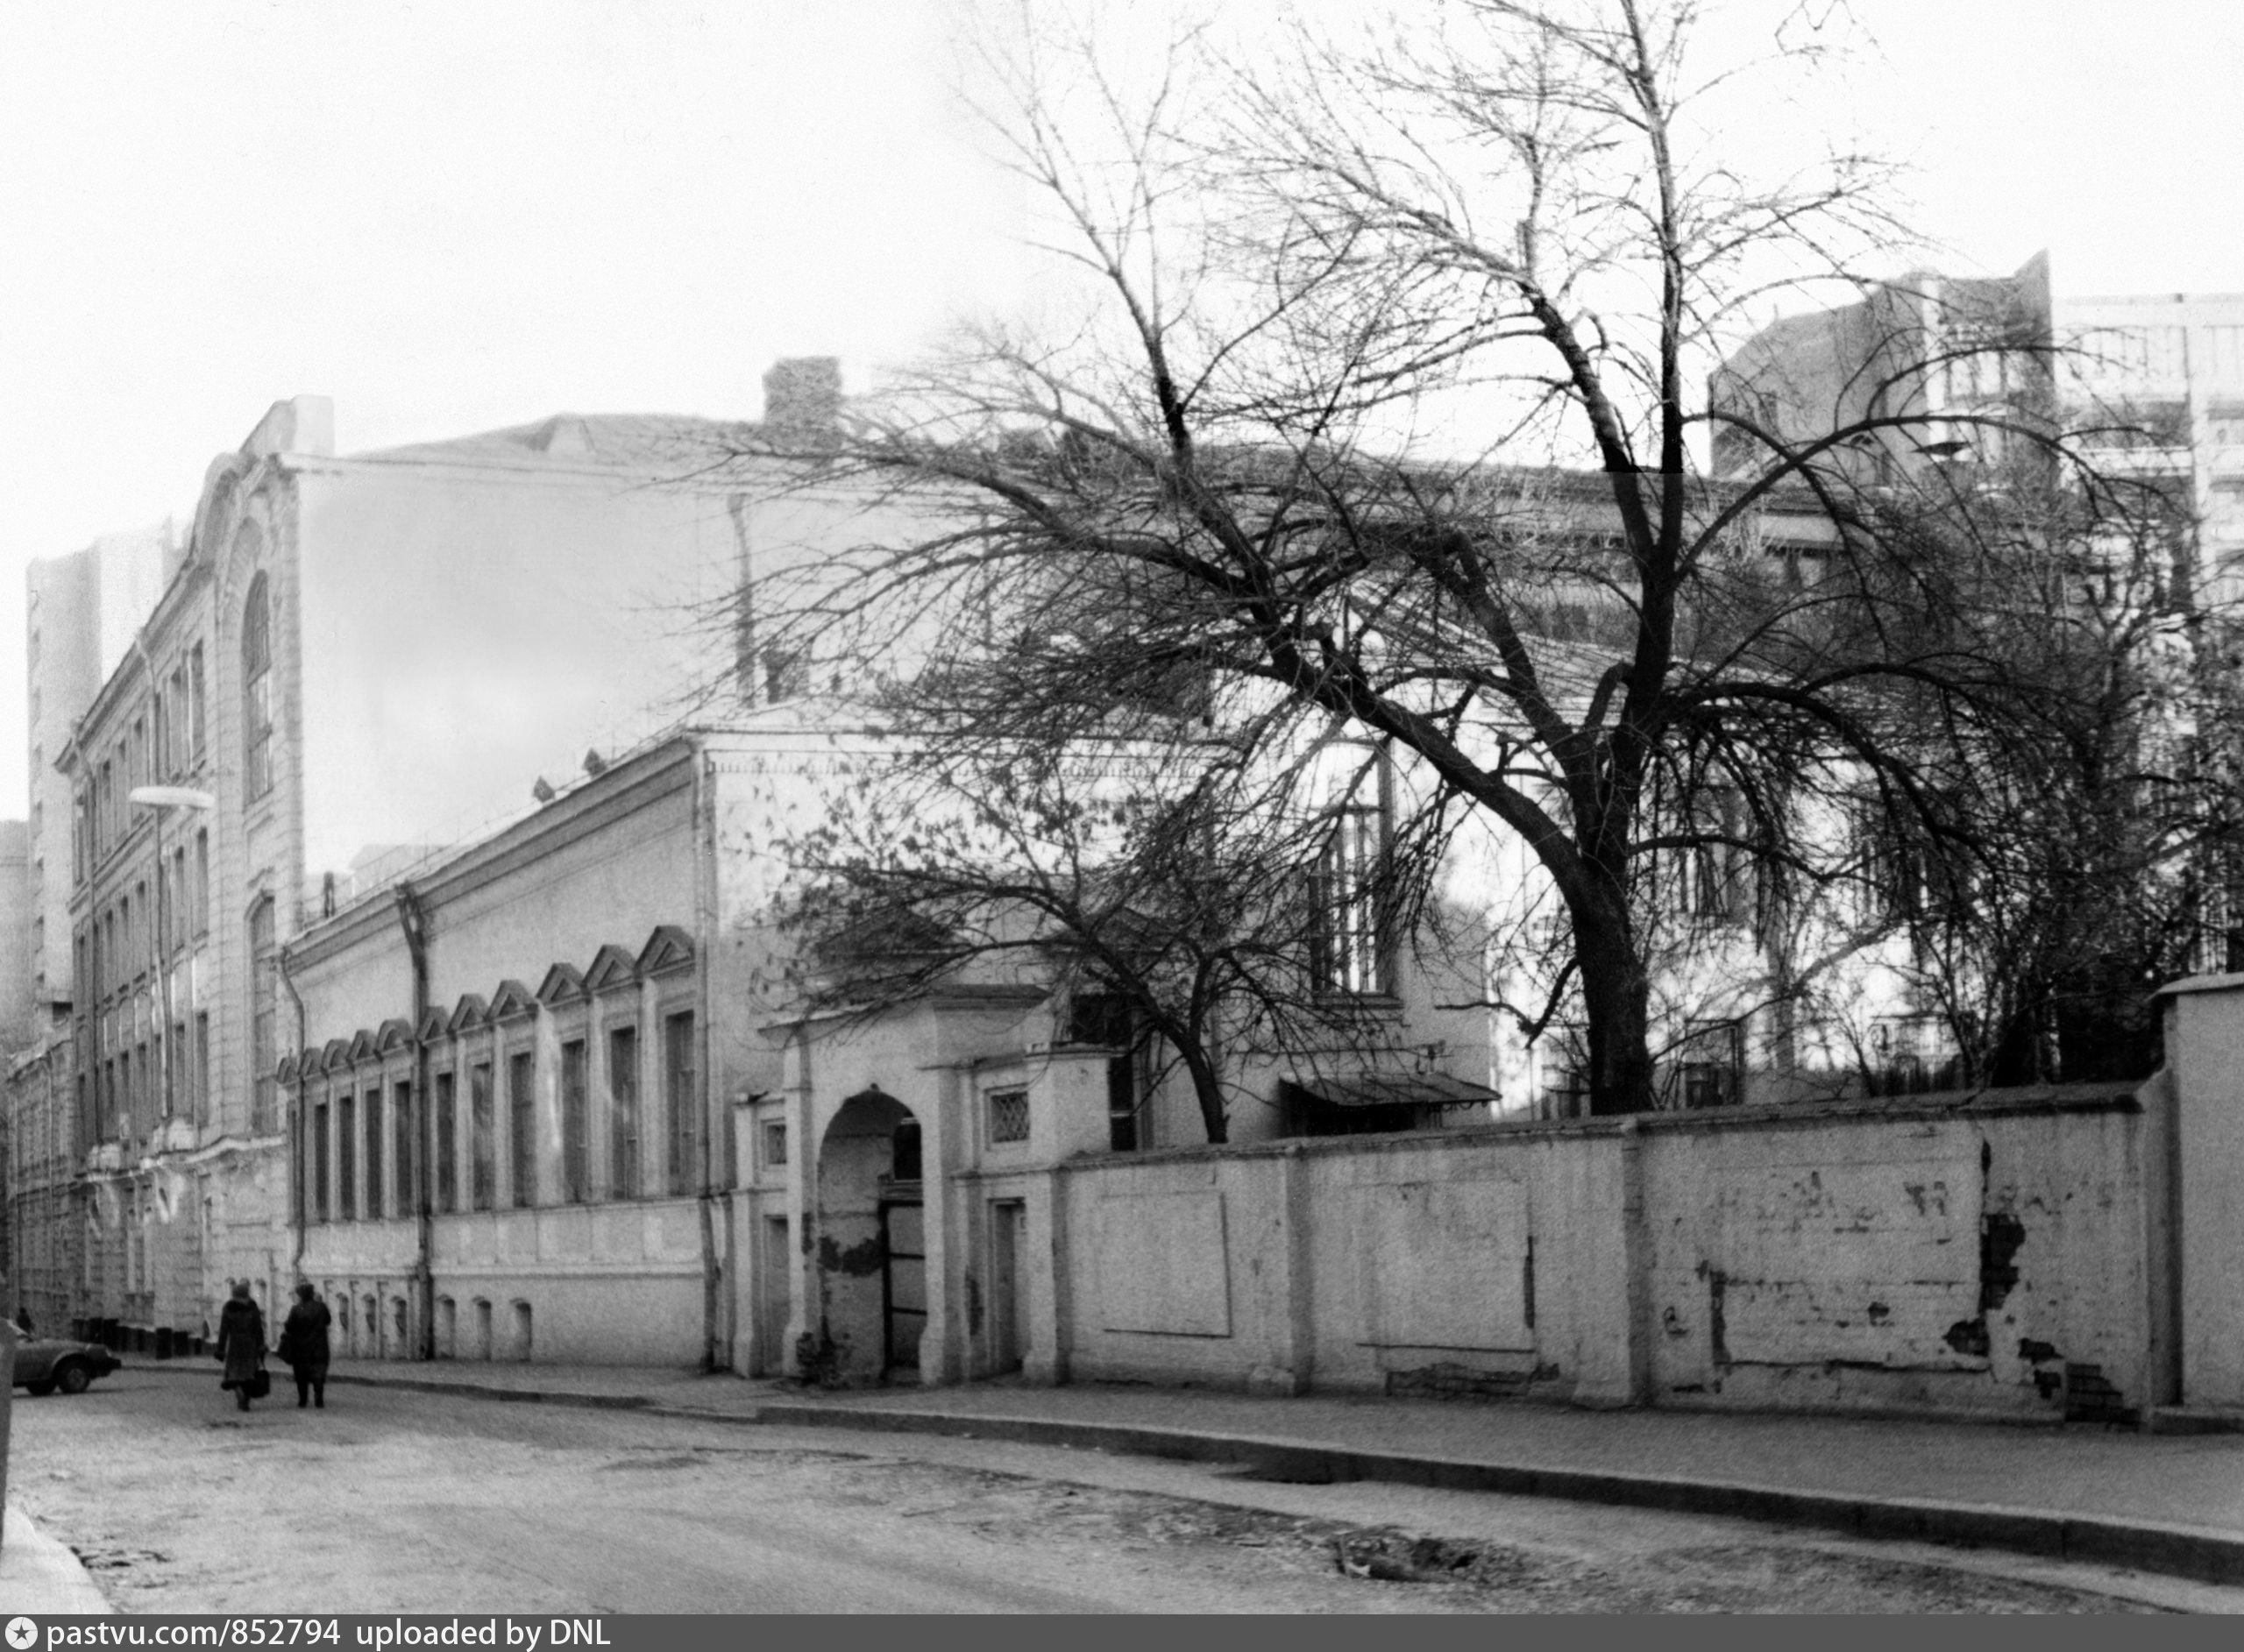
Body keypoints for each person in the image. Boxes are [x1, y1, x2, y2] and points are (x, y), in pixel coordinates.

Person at [278, 1282, 332, 1409]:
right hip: (319, 1346)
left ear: (301, 1295)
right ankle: (319, 1398)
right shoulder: (321, 1307)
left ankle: (303, 1400)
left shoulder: (296, 1309)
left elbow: (289, 1326)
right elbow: (328, 1321)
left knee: (301, 1374)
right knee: (319, 1372)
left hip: (301, 1347)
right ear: (312, 1293)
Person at [215, 1280, 266, 1412]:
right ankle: (246, 1401)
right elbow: (258, 1329)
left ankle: (240, 1397)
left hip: (235, 1345)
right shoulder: (252, 1307)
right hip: (251, 1344)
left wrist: (220, 1349)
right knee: (249, 1374)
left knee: (235, 1375)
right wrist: (261, 1345)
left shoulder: (229, 1308)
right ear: (247, 1293)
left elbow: (224, 1330)